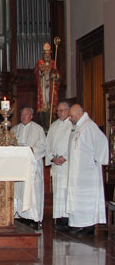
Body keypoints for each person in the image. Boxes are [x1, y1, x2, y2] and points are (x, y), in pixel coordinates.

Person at [65, 104, 109, 236]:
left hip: (87, 172)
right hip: (77, 172)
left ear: (79, 114)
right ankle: (78, 224)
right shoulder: (78, 127)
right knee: (77, 198)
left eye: (71, 116)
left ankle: (88, 226)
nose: (70, 118)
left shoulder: (89, 126)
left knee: (86, 199)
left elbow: (102, 140)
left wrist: (97, 159)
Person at [12, 107, 46, 228]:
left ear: (31, 116)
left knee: (32, 191)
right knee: (20, 190)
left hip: (32, 165)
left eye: (26, 114)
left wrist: (32, 149)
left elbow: (42, 146)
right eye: (22, 114)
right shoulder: (15, 129)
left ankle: (34, 217)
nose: (23, 117)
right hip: (19, 166)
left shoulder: (38, 129)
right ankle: (21, 215)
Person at [45, 102, 72, 228]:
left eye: (62, 110)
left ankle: (68, 218)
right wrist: (52, 157)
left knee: (66, 191)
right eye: (58, 111)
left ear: (68, 110)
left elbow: (73, 145)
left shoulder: (72, 125)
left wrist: (65, 157)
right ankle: (59, 218)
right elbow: (48, 144)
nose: (60, 113)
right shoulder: (54, 125)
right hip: (56, 164)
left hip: (67, 165)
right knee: (57, 192)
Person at [34, 42, 60, 129]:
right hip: (43, 86)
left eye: (49, 54)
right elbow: (37, 75)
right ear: (43, 54)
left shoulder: (53, 63)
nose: (47, 55)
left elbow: (58, 76)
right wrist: (41, 72)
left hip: (50, 86)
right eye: (46, 54)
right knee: (44, 103)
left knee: (50, 104)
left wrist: (55, 76)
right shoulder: (40, 63)